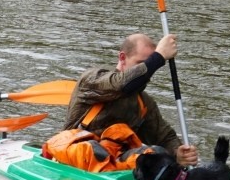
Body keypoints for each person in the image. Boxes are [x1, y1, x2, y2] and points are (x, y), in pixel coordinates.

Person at [63, 33, 199, 167]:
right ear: (122, 57)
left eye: (150, 65)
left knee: (157, 154)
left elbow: (165, 137)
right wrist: (159, 57)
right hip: (75, 158)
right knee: (96, 150)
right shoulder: (92, 80)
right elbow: (122, 84)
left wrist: (178, 153)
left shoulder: (143, 103)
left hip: (113, 165)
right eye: (141, 64)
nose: (148, 71)